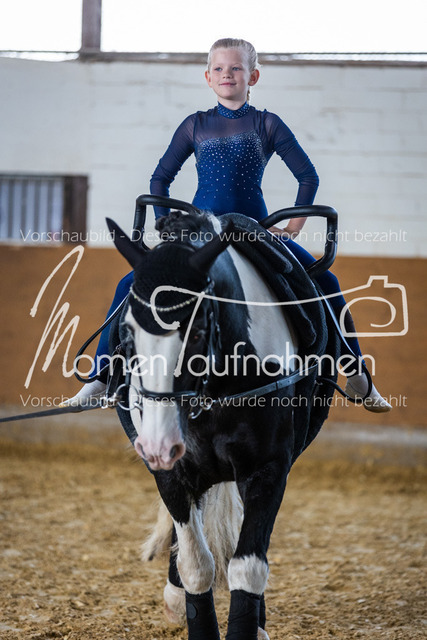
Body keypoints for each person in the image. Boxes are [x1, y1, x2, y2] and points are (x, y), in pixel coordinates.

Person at [66, 37, 390, 412]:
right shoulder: (195, 125)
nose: (227, 74)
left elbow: (308, 176)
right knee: (130, 282)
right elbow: (159, 179)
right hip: (202, 231)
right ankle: (101, 376)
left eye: (236, 68)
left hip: (254, 227)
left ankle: (357, 374)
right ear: (207, 77)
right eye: (218, 68)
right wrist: (164, 224)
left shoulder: (267, 123)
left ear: (253, 76)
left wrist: (292, 228)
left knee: (326, 281)